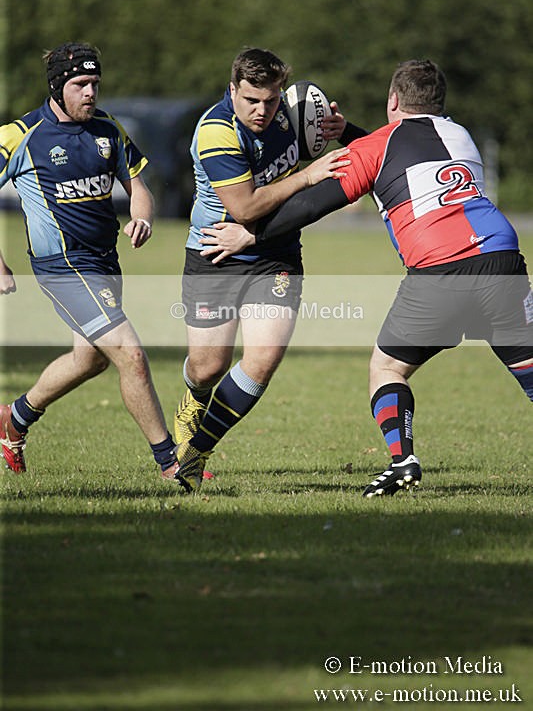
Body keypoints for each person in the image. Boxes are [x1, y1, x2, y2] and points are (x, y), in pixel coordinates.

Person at [198, 59, 533, 497]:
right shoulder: (459, 135)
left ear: (393, 100)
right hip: (502, 259)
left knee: (388, 367)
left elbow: (315, 203)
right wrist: (349, 131)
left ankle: (403, 460)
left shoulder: (378, 145)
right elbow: (400, 151)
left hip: (439, 267)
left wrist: (251, 232)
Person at [172, 47, 356, 492]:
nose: (261, 111)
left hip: (275, 254)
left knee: (262, 359)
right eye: (251, 99)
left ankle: (197, 452)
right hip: (216, 255)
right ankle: (194, 400)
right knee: (208, 366)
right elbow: (245, 205)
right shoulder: (217, 131)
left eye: (270, 100)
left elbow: (344, 151)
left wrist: (341, 129)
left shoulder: (292, 114)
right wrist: (307, 176)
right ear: (232, 89)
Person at [0, 41, 181, 480]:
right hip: (61, 269)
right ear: (58, 86)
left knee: (91, 358)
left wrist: (142, 216)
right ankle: (172, 463)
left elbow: (138, 184)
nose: (90, 93)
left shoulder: (108, 129)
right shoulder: (21, 135)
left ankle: (15, 419)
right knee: (131, 355)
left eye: (95, 83)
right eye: (80, 84)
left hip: (103, 264)